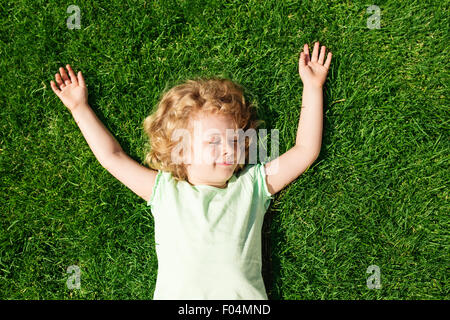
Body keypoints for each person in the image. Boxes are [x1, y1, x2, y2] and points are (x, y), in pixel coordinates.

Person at [50, 42, 332, 299]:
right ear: (180, 150)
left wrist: (312, 86)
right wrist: (79, 107)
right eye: (213, 141)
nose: (228, 149)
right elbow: (112, 157)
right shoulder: (164, 191)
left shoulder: (252, 186)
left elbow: (305, 150)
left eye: (234, 140)